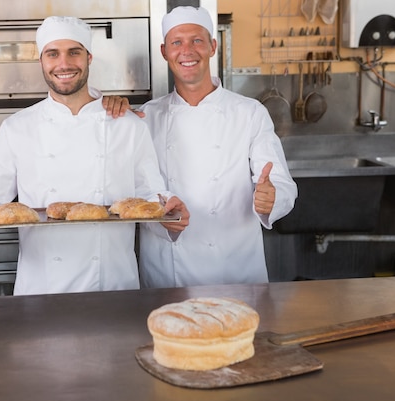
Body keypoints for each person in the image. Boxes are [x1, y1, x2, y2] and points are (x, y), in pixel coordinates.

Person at [0, 16, 189, 296]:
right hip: (42, 286)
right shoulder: (17, 127)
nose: (64, 64)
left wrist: (169, 211)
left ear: (89, 57)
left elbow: (151, 195)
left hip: (112, 284)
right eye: (53, 54)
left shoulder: (128, 125)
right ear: (41, 61)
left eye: (74, 52)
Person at [104, 6, 297, 286]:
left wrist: (272, 198)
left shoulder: (249, 112)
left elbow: (280, 182)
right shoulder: (146, 117)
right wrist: (161, 215)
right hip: (167, 270)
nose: (187, 51)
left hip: (236, 268)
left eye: (196, 40)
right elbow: (134, 189)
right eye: (177, 42)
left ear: (212, 46)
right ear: (164, 51)